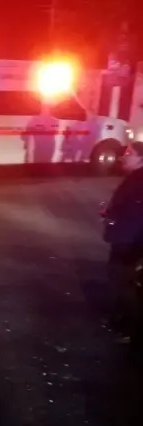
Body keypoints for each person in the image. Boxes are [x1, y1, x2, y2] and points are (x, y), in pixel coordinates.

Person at [103, 141, 143, 348]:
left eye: (129, 153)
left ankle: (130, 329)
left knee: (123, 283)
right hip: (127, 238)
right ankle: (121, 321)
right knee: (120, 281)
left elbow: (136, 215)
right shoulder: (134, 178)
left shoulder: (139, 181)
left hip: (129, 241)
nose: (123, 156)